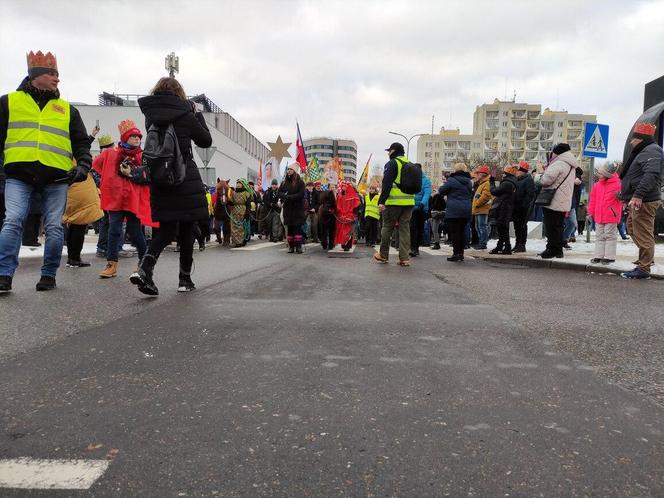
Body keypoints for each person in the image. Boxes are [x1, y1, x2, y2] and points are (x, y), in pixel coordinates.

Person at [0, 51, 92, 293]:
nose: (57, 79)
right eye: (52, 74)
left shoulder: (67, 110)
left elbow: (81, 143)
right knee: (12, 220)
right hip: (18, 175)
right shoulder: (9, 102)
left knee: (53, 226)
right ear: (35, 76)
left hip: (57, 177)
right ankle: (4, 274)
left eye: (58, 74)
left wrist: (83, 166)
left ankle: (49, 274)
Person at [131, 77, 212, 295]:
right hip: (184, 176)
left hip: (160, 178)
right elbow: (205, 140)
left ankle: (145, 269)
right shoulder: (185, 115)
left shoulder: (150, 117)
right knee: (186, 228)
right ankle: (184, 280)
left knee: (165, 230)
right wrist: (197, 115)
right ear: (179, 93)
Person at [92, 119, 152, 278]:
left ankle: (143, 263)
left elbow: (148, 174)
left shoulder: (142, 155)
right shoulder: (111, 153)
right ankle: (111, 265)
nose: (137, 139)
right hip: (115, 200)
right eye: (133, 137)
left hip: (132, 199)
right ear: (125, 138)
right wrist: (108, 179)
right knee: (114, 231)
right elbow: (96, 165)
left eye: (139, 137)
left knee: (135, 232)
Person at [619, 122, 664, 279]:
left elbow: (651, 174)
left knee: (643, 233)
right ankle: (646, 258)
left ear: (640, 139)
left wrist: (638, 195)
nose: (631, 142)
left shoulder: (651, 150)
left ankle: (644, 269)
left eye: (634, 139)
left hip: (644, 199)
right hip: (638, 199)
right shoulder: (644, 150)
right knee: (632, 228)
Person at [374, 142, 415, 266]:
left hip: (393, 202)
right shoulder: (410, 164)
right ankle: (404, 258)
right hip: (409, 203)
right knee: (404, 229)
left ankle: (383, 255)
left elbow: (386, 184)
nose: (388, 153)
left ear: (393, 151)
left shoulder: (392, 164)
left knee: (387, 227)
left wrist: (381, 201)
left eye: (389, 151)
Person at [534, 143, 577, 259]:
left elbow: (545, 181)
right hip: (563, 200)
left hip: (553, 200)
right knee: (558, 226)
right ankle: (558, 250)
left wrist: (539, 173)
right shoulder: (570, 165)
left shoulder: (559, 163)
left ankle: (551, 249)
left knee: (551, 226)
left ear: (556, 152)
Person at [63, 170, 103, 267]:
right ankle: (75, 258)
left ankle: (71, 257)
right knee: (80, 224)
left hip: (70, 188)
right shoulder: (80, 159)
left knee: (73, 224)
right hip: (82, 188)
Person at [587, 162, 621, 264]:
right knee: (599, 236)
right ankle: (598, 255)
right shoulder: (597, 185)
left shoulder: (618, 184)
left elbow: (623, 199)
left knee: (610, 236)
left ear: (607, 175)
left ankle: (609, 257)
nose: (599, 175)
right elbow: (593, 200)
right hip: (599, 215)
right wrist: (590, 213)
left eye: (601, 174)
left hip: (611, 215)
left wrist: (620, 196)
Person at [438, 162, 473, 262]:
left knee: (454, 232)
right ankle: (461, 253)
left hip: (454, 209)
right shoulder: (469, 181)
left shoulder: (452, 180)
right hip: (466, 209)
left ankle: (456, 253)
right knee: (462, 231)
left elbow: (441, 191)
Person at [94, 134, 117, 257]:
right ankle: (110, 247)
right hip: (107, 193)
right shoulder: (106, 157)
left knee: (106, 221)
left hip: (105, 192)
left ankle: (103, 247)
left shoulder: (102, 157)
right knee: (111, 221)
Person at [489, 164, 518, 255]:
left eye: (504, 173)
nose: (503, 175)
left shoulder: (507, 183)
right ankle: (501, 246)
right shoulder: (512, 182)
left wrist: (492, 182)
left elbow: (494, 191)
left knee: (502, 229)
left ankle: (507, 248)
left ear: (507, 173)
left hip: (503, 208)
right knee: (502, 228)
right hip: (506, 208)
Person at [279, 165, 306, 253]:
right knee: (289, 229)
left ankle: (298, 247)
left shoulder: (300, 182)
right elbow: (279, 193)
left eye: (291, 169)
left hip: (297, 209)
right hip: (288, 209)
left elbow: (301, 194)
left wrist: (290, 197)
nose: (289, 171)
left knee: (297, 228)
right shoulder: (284, 182)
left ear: (294, 171)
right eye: (288, 169)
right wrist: (284, 196)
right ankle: (291, 247)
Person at [513, 161, 536, 252]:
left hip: (523, 208)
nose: (516, 172)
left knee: (522, 226)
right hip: (516, 207)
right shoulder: (518, 179)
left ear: (522, 171)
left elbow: (530, 194)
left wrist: (524, 205)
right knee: (517, 227)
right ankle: (517, 243)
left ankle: (522, 244)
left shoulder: (528, 180)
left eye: (518, 170)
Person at [409, 166, 432, 257]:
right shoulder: (411, 180)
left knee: (419, 228)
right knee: (412, 228)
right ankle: (413, 248)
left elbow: (427, 193)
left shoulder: (426, 180)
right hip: (412, 208)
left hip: (421, 208)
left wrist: (422, 204)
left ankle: (416, 247)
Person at [334, 180, 361, 251]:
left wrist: (354, 214)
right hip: (341, 216)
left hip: (349, 216)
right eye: (342, 186)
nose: (343, 188)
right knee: (342, 231)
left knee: (348, 231)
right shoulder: (340, 195)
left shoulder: (354, 195)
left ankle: (348, 245)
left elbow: (357, 205)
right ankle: (343, 244)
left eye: (345, 186)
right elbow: (337, 205)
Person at [471, 165, 492, 250]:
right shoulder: (482, 183)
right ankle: (481, 242)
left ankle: (483, 243)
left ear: (483, 174)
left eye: (478, 173)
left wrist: (477, 203)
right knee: (478, 227)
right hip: (479, 209)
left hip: (482, 209)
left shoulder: (486, 183)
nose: (477, 175)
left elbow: (485, 196)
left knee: (482, 226)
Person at [228, 178, 252, 247]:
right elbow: (231, 202)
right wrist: (227, 202)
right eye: (237, 183)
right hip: (234, 212)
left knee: (242, 227)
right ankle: (236, 241)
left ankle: (242, 241)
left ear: (243, 185)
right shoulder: (233, 193)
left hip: (242, 212)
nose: (238, 185)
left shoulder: (246, 194)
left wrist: (247, 213)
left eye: (239, 183)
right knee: (234, 227)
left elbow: (248, 205)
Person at [262, 178, 283, 242]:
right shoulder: (267, 192)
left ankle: (275, 237)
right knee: (269, 225)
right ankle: (271, 237)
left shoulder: (279, 192)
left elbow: (281, 199)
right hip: (269, 211)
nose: (274, 186)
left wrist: (277, 204)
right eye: (273, 184)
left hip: (276, 211)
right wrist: (270, 204)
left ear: (277, 185)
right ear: (271, 185)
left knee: (275, 224)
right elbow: (264, 201)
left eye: (275, 184)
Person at [213, 179, 232, 246]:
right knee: (216, 227)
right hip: (218, 203)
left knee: (227, 224)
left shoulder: (229, 192)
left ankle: (227, 239)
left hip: (226, 204)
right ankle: (218, 237)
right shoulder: (216, 193)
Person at [318, 183, 336, 250]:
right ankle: (324, 243)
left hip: (333, 213)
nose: (332, 188)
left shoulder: (337, 195)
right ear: (329, 187)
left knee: (332, 230)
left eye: (333, 187)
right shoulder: (326, 194)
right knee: (324, 230)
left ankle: (331, 244)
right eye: (331, 187)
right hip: (326, 213)